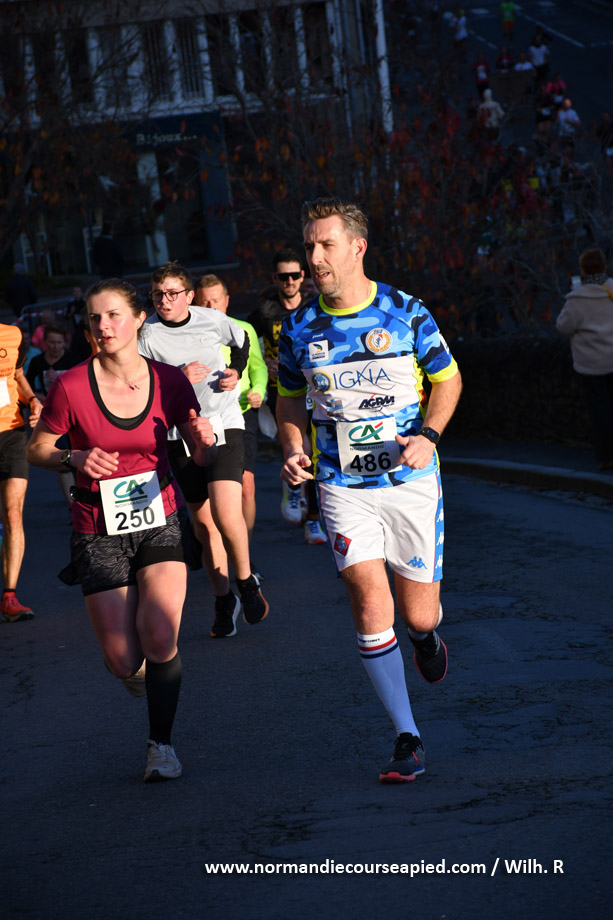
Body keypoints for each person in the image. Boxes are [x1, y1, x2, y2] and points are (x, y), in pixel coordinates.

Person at [277, 198, 462, 783]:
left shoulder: (404, 311)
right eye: (309, 246)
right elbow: (289, 399)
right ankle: (407, 736)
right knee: (368, 600)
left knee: (418, 611)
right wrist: (292, 447)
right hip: (341, 484)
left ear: (357, 247)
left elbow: (448, 380)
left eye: (325, 245)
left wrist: (429, 436)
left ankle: (425, 636)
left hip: (410, 481)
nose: (314, 258)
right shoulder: (298, 327)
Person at [26, 278, 217, 782]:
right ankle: (145, 672)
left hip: (160, 516)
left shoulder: (169, 381)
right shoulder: (71, 386)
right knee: (121, 660)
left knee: (160, 632)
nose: (104, 326)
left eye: (113, 315)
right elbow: (36, 449)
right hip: (97, 528)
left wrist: (204, 442)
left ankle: (161, 747)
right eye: (95, 318)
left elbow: (200, 454)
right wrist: (74, 457)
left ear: (137, 319)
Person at [138, 261, 268, 639]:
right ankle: (224, 598)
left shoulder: (211, 320)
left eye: (172, 294)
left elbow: (242, 341)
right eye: (158, 295)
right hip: (178, 434)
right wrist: (176, 379)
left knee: (226, 511)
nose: (164, 301)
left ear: (189, 296)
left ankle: (246, 581)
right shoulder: (147, 334)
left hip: (223, 421)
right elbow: (140, 385)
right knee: (204, 524)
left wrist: (236, 371)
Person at [248, 249, 327, 544]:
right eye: (283, 276)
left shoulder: (313, 306)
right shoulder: (263, 312)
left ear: (302, 276)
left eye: (294, 275)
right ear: (275, 278)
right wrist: (262, 363)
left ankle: (313, 518)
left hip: (313, 386)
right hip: (278, 388)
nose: (290, 281)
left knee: (316, 452)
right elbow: (246, 345)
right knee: (300, 445)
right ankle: (295, 491)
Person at [193, 274, 268, 584]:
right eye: (204, 302)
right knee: (209, 499)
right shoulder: (191, 333)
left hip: (241, 413)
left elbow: (258, 368)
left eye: (216, 300)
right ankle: (219, 549)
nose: (211, 307)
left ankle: (243, 553)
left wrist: (259, 390)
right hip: (204, 418)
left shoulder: (243, 328)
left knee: (246, 485)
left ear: (226, 301)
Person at [556, 248, 613, 470]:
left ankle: (608, 456)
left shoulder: (577, 298)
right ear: (604, 266)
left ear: (583, 270)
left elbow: (563, 326)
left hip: (592, 365)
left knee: (601, 412)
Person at [0, 324, 42, 621]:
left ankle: (9, 597)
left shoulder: (12, 335)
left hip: (11, 434)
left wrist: (33, 399)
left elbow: (16, 374)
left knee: (13, 514)